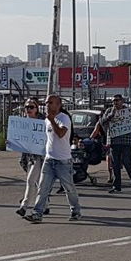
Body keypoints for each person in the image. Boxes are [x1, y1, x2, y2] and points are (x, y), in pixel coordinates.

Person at [27, 94, 81, 223]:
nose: (47, 105)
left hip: (63, 161)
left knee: (69, 188)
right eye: (46, 103)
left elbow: (61, 134)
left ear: (58, 105)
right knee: (43, 188)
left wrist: (52, 120)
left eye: (50, 103)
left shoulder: (64, 118)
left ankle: (76, 210)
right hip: (49, 159)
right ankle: (37, 213)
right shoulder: (46, 120)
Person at [93, 95, 131, 193]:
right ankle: (116, 185)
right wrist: (111, 115)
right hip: (114, 142)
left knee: (127, 163)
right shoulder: (109, 111)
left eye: (117, 100)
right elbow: (102, 122)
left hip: (126, 141)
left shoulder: (129, 111)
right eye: (114, 101)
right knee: (115, 165)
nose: (115, 103)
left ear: (122, 101)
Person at [16, 99, 50, 217]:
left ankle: (24, 206)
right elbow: (20, 138)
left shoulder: (43, 121)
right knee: (37, 182)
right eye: (26, 107)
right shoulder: (24, 122)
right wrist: (12, 142)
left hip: (42, 156)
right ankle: (45, 205)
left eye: (31, 107)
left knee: (31, 181)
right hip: (30, 157)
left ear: (36, 108)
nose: (28, 110)